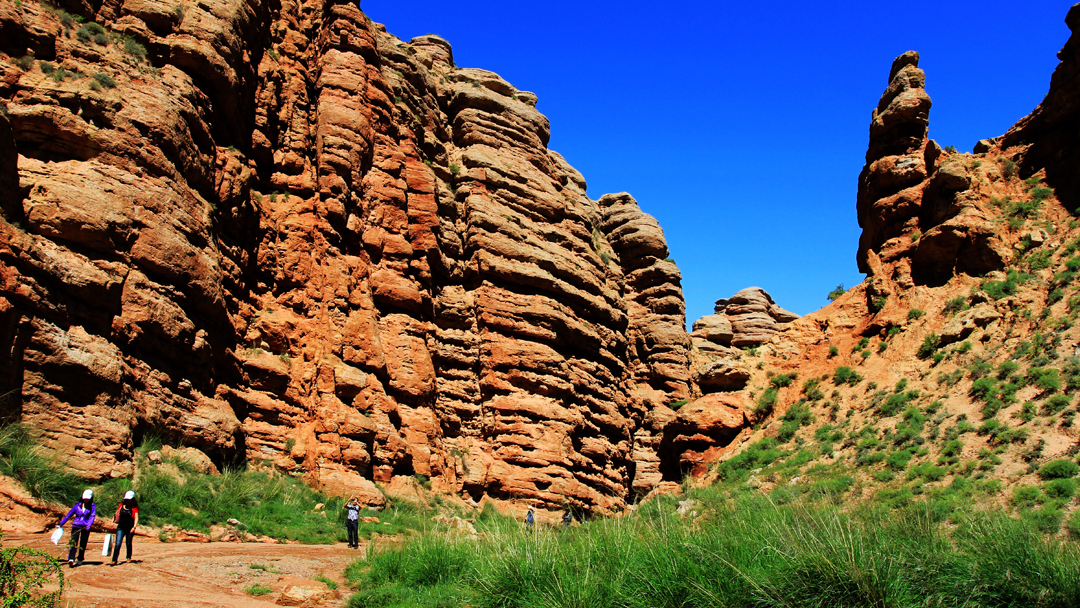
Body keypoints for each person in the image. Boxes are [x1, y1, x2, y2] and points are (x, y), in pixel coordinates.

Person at [58, 489, 96, 567]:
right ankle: (71, 558)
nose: (86, 500)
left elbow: (92, 516)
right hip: (76, 525)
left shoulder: (92, 506)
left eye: (87, 499)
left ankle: (80, 558)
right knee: (73, 543)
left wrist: (88, 525)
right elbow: (69, 514)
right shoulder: (77, 505)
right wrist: (61, 523)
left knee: (83, 543)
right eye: (85, 498)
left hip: (85, 527)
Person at [110, 490, 139, 565]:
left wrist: (134, 527)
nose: (127, 500)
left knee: (128, 543)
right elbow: (116, 513)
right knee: (118, 543)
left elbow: (136, 518)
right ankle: (114, 560)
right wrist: (112, 521)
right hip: (121, 527)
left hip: (130, 528)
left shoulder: (134, 507)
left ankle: (128, 557)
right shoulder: (121, 505)